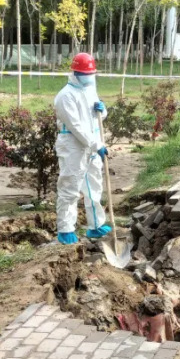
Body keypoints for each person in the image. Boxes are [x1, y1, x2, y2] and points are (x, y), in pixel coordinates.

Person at [53, 52, 111, 245]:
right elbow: (76, 127)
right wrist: (97, 145)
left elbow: (94, 119)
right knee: (70, 187)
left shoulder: (89, 90)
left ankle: (96, 225)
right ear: (75, 72)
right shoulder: (65, 96)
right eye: (87, 73)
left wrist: (102, 112)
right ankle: (66, 229)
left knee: (94, 186)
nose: (89, 76)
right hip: (73, 146)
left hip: (92, 145)